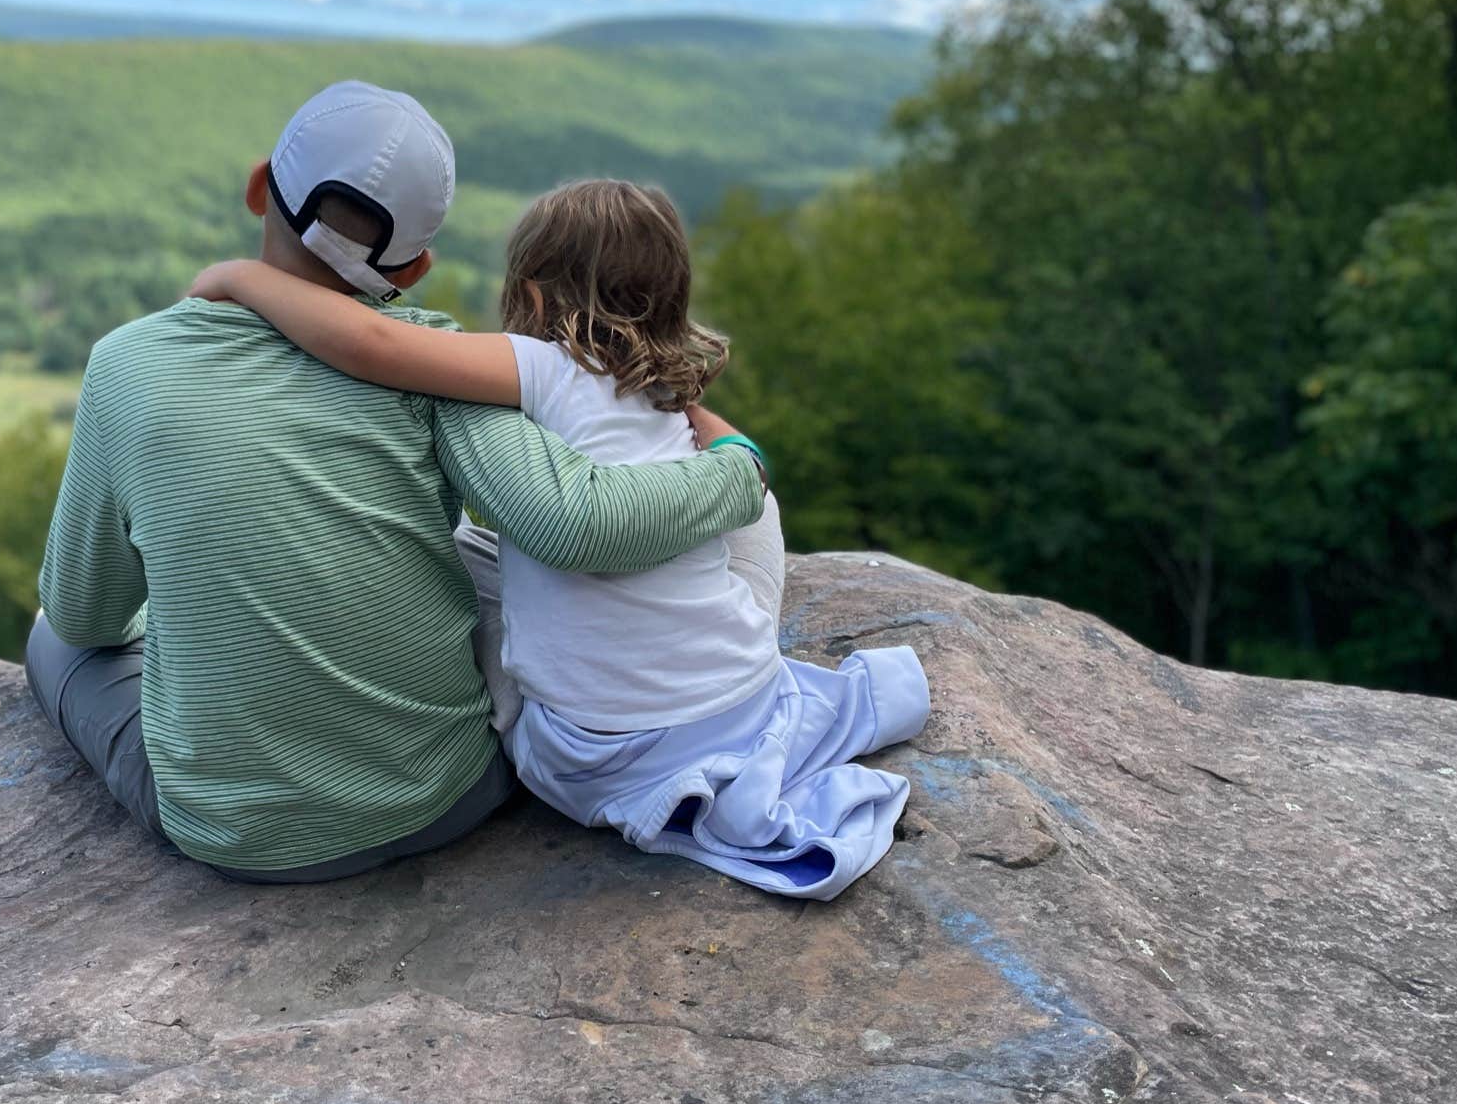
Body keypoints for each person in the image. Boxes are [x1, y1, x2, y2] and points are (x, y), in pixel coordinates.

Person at [29, 84, 768, 884]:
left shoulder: (125, 365)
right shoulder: (438, 365)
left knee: (51, 635)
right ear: (413, 268)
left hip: (240, 838)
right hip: (452, 795)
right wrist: (731, 461)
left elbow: (86, 615)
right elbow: (566, 513)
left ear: (255, 188)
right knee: (464, 551)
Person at [189, 177, 932, 899]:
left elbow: (372, 344)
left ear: (535, 297)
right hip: (743, 702)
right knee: (750, 511)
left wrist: (242, 279)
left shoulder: (541, 367)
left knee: (448, 557)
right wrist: (737, 453)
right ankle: (706, 659)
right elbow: (746, 464)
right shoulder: (663, 396)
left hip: (593, 759)